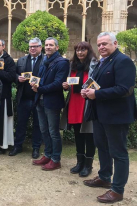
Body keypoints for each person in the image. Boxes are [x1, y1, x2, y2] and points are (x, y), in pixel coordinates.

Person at [82, 32, 136, 204]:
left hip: (116, 116)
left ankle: (117, 190)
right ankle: (105, 177)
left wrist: (96, 94)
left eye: (105, 44)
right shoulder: (103, 62)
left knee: (118, 153)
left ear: (115, 43)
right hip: (100, 114)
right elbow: (95, 84)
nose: (101, 47)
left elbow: (124, 89)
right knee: (102, 147)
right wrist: (87, 92)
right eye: (99, 45)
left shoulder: (123, 61)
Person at [31, 37, 69, 170]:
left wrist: (40, 88)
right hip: (40, 100)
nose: (48, 47)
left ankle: (56, 159)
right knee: (44, 130)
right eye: (46, 45)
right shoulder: (45, 61)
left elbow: (58, 83)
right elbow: (40, 79)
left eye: (51, 45)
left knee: (53, 131)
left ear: (57, 47)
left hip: (52, 102)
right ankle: (47, 154)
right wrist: (35, 83)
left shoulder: (62, 62)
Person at [61, 42, 98, 177]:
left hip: (87, 103)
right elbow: (70, 83)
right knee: (78, 134)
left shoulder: (95, 65)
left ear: (89, 51)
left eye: (83, 50)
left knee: (89, 134)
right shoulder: (73, 66)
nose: (80, 53)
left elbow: (98, 84)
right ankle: (79, 162)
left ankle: (88, 165)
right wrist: (65, 85)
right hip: (75, 103)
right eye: (77, 50)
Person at [10, 37, 43, 159]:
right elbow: (14, 74)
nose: (32, 49)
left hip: (39, 98)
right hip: (24, 97)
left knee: (37, 124)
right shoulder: (21, 60)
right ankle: (18, 146)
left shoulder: (46, 60)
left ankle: (36, 148)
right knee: (21, 123)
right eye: (30, 47)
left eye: (35, 46)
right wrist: (18, 78)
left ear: (40, 47)